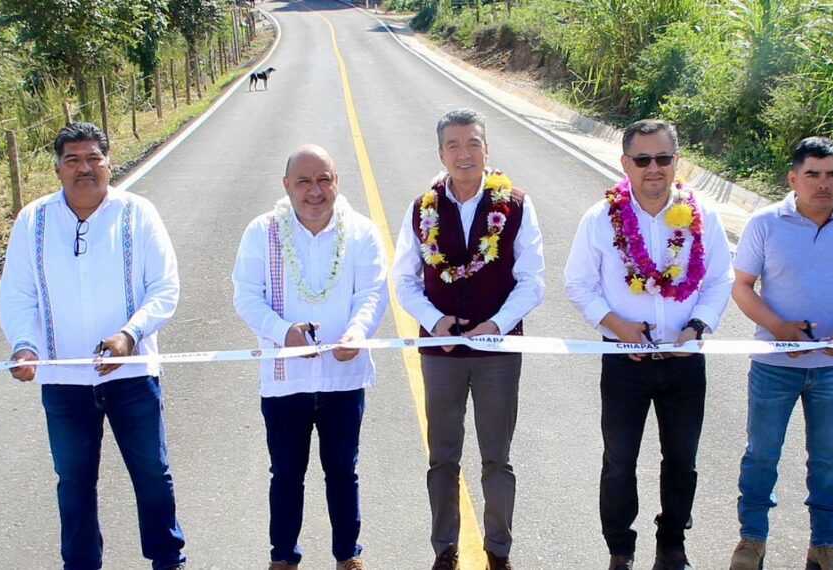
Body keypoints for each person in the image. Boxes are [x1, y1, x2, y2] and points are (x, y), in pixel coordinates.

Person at [0, 122, 186, 570]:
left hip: (132, 375)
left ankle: (168, 560)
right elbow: (19, 294)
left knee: (152, 475)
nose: (84, 168)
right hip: (64, 381)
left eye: (93, 158)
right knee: (74, 481)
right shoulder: (33, 221)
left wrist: (129, 336)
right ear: (58, 169)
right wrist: (25, 346)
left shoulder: (138, 213)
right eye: (73, 160)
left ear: (108, 163)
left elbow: (164, 287)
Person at [564, 119, 733, 570]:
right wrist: (617, 325)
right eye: (643, 160)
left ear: (677, 161)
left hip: (685, 359)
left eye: (663, 158)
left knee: (682, 459)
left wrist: (697, 327)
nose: (653, 168)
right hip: (625, 361)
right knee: (620, 461)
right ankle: (620, 550)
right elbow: (578, 284)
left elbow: (720, 279)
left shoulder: (703, 216)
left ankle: (672, 545)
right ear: (626, 164)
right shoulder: (600, 219)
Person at [392, 108, 545, 570]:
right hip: (439, 351)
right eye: (453, 145)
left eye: (473, 143)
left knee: (497, 457)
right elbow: (404, 280)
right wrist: (434, 320)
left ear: (486, 149)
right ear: (441, 154)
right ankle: (445, 551)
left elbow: (532, 281)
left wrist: (497, 325)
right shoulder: (421, 208)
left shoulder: (516, 205)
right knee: (443, 457)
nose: (464, 154)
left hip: (499, 352)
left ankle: (498, 550)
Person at [728, 137, 833, 570]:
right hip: (774, 364)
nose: (823, 184)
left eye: (832, 174)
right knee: (761, 455)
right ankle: (751, 541)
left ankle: (825, 545)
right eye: (813, 174)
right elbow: (742, 286)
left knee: (828, 460)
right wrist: (780, 329)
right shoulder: (765, 222)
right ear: (793, 179)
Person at [232, 144, 388, 570]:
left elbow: (372, 293)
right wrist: (283, 332)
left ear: (337, 182)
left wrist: (358, 332)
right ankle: (283, 557)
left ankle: (348, 555)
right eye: (304, 181)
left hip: (343, 377)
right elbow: (246, 295)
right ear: (287, 185)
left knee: (343, 471)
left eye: (324, 180)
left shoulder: (361, 232)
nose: (315, 191)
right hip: (286, 379)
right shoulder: (262, 231)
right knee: (285, 473)